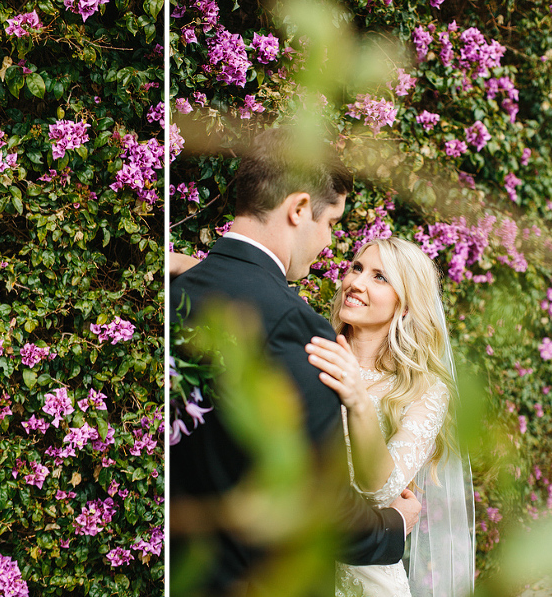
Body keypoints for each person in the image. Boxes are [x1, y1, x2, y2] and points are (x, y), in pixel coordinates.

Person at [168, 126, 422, 596]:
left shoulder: (178, 289)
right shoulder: (296, 327)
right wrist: (394, 527)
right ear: (300, 208)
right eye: (331, 223)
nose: (329, 242)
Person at [303, 237, 473, 597]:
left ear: (406, 306)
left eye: (380, 277)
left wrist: (357, 399)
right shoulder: (312, 351)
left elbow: (382, 488)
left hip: (368, 574)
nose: (357, 283)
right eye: (357, 268)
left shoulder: (424, 389)